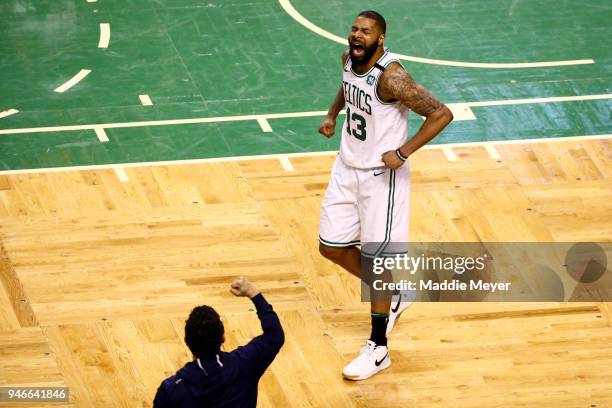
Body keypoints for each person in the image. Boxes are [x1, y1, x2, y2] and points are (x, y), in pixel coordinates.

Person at [317, 10, 453, 380]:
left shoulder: (393, 79)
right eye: (354, 29)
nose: (357, 35)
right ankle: (392, 294)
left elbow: (442, 114)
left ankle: (379, 348)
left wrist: (404, 152)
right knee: (329, 246)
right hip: (346, 168)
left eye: (366, 32)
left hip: (380, 176)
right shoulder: (348, 58)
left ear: (380, 39)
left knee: (378, 263)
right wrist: (332, 114)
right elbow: (347, 87)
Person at [153, 277, 284, 407]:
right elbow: (275, 335)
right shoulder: (245, 363)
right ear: (223, 338)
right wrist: (253, 292)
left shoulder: (170, 391)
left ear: (187, 342)